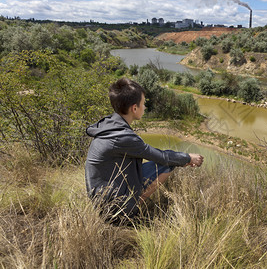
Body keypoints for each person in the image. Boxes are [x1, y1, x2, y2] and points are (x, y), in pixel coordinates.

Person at [85, 77, 203, 220]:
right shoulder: (123, 137)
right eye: (143, 104)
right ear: (134, 108)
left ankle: (128, 207)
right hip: (111, 207)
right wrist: (188, 158)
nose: (145, 107)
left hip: (101, 197)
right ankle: (130, 213)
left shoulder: (108, 125)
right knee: (167, 164)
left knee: (170, 159)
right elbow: (161, 157)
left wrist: (181, 159)